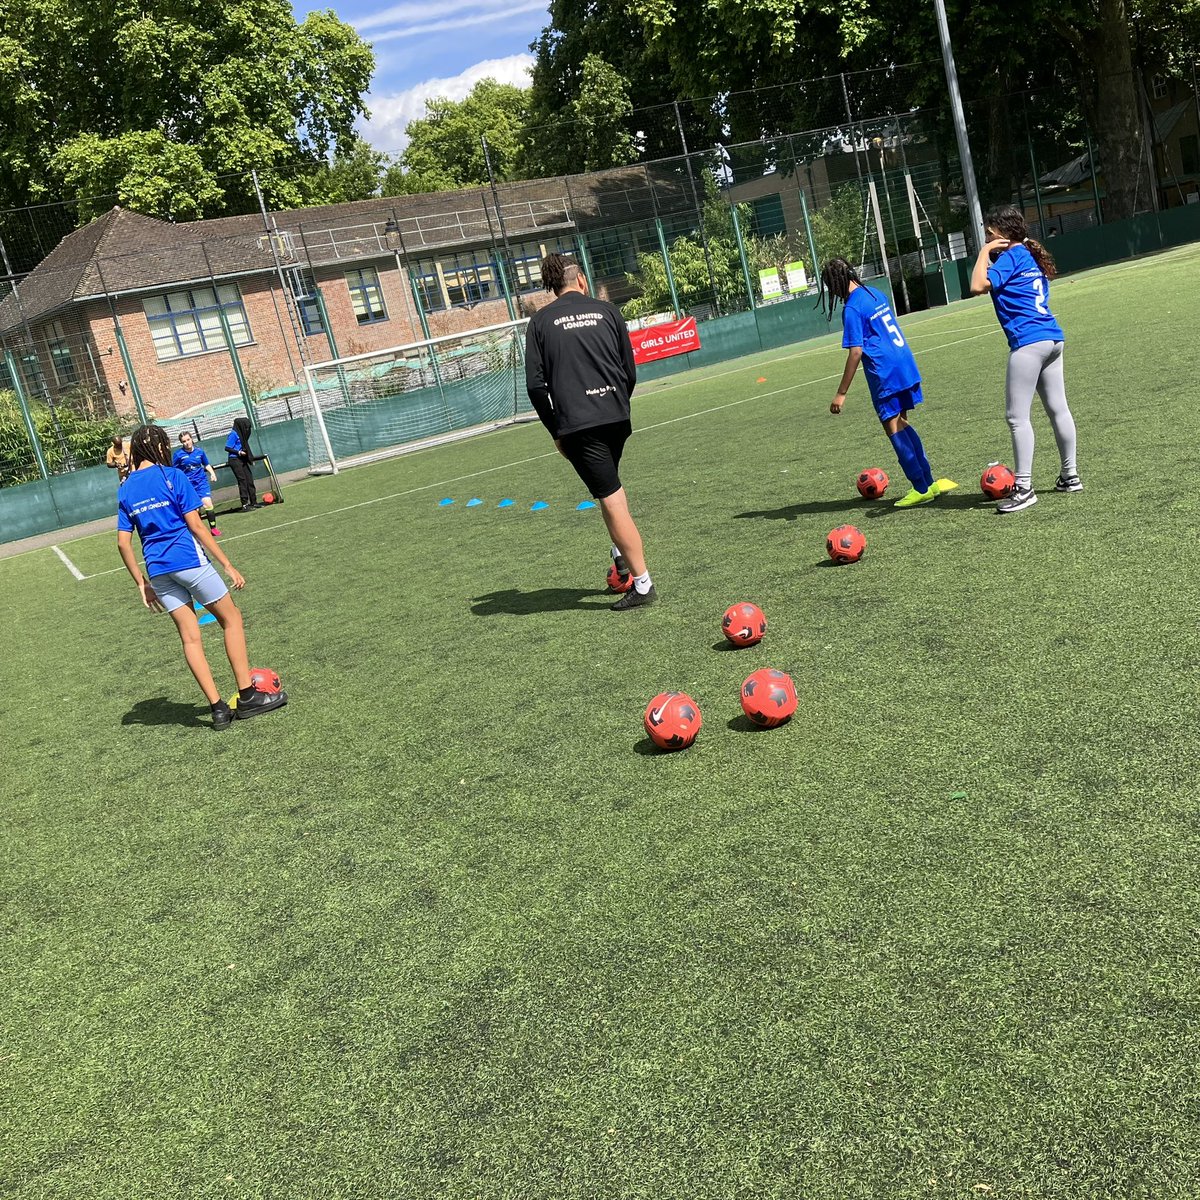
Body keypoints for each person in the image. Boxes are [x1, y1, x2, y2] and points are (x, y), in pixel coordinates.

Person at [116, 424, 287, 728]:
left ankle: (218, 709)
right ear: (159, 447)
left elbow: (122, 542)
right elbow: (196, 526)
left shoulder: (126, 488)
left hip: (158, 571)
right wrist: (227, 564)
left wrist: (142, 583)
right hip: (188, 560)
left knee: (190, 638)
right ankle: (247, 696)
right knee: (231, 618)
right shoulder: (172, 476)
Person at [524, 252, 655, 610]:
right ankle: (621, 554)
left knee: (610, 496)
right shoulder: (608, 311)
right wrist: (617, 403)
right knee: (610, 487)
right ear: (580, 279)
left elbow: (536, 387)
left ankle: (642, 584)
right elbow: (629, 369)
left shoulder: (539, 323)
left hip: (580, 425)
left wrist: (557, 431)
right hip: (616, 416)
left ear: (552, 286)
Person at [969, 205, 1080, 513]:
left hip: (1030, 342)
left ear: (1002, 234)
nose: (987, 236)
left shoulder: (1012, 256)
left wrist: (983, 252)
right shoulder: (1028, 255)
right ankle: (1069, 476)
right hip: (1052, 337)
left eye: (990, 232)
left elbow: (977, 285)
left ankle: (1024, 488)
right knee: (1058, 410)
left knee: (1017, 418)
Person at [820, 258, 957, 508]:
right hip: (904, 361)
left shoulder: (851, 308)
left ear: (834, 283)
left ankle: (920, 487)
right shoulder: (874, 293)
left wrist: (841, 393)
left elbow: (856, 352)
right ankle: (928, 482)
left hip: (885, 371)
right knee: (902, 422)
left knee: (893, 428)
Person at [172, 429, 221, 536]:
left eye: (188, 439)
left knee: (208, 503)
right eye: (184, 441)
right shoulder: (178, 455)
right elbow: (174, 470)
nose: (187, 442)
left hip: (201, 482)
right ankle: (198, 530)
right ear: (182, 443)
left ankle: (213, 528)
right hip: (188, 485)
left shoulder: (200, 452)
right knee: (195, 509)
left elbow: (206, 464)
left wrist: (212, 473)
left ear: (192, 439)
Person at [225, 416, 258, 510]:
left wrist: (249, 459)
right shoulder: (233, 434)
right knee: (242, 480)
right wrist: (239, 452)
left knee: (249, 479)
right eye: (245, 427)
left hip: (242, 459)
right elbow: (227, 447)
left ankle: (254, 502)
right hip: (235, 460)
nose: (247, 429)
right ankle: (244, 504)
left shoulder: (242, 435)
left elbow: (246, 446)